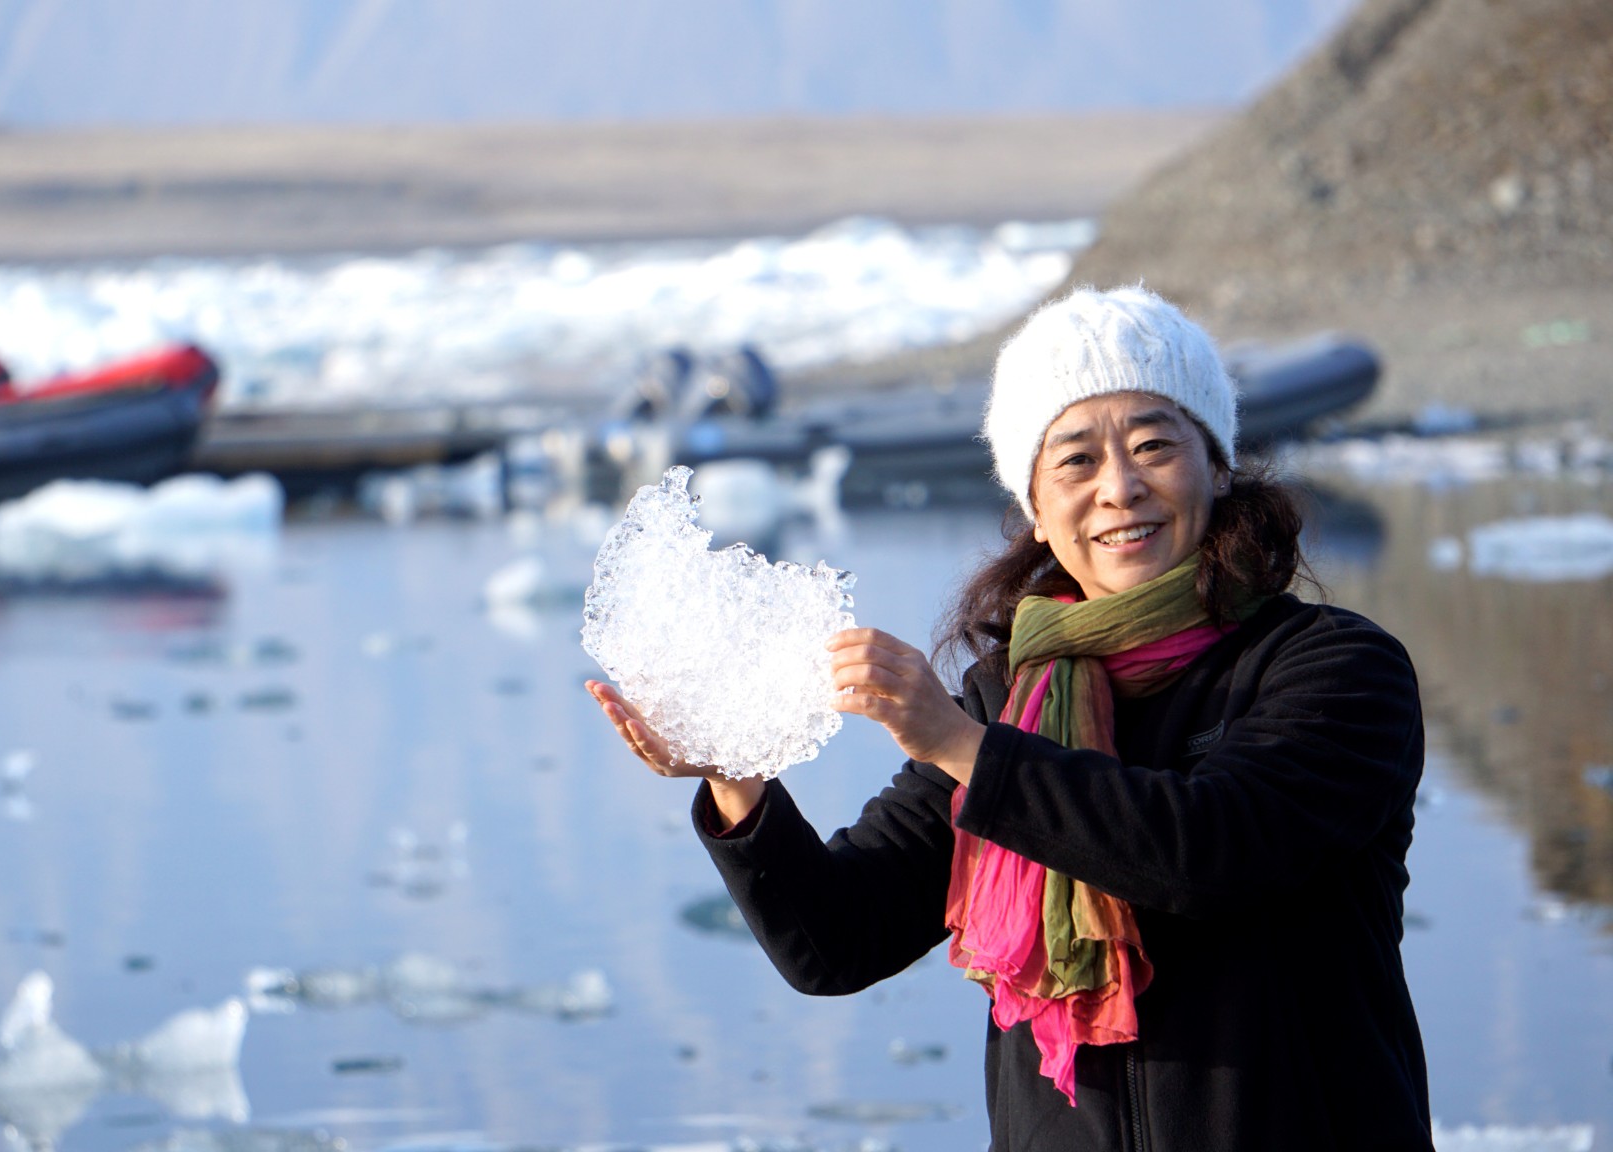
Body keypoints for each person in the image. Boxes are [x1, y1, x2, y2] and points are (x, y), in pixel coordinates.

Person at [586, 286, 1431, 1151]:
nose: (1120, 488)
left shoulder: (1333, 668)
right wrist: (735, 774)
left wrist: (964, 750)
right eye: (1075, 461)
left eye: (1153, 446)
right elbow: (837, 940)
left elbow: (1213, 853)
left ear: (1216, 467)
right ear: (1034, 502)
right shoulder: (1006, 699)